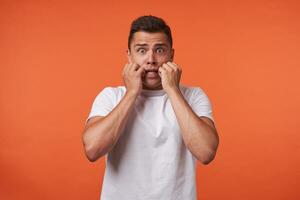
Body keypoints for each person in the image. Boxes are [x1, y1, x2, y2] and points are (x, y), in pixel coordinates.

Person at [82, 15, 219, 200]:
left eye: (160, 50)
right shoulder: (111, 96)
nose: (151, 59)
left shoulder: (193, 96)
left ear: (171, 54)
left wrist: (172, 89)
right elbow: (92, 149)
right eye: (141, 50)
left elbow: (206, 153)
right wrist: (132, 93)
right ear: (129, 56)